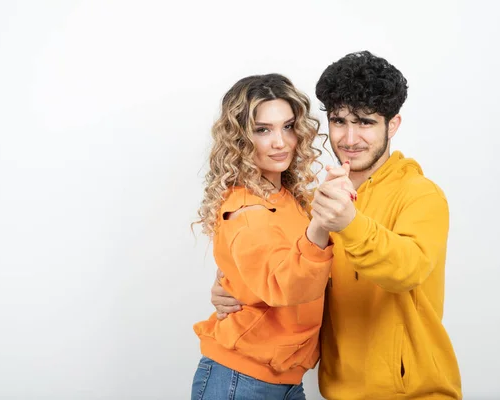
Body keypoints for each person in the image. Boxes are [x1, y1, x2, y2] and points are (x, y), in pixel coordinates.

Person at [211, 52, 463, 399]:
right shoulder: (319, 201)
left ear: (392, 125)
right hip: (337, 391)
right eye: (339, 121)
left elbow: (408, 268)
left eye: (365, 122)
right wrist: (232, 286)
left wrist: (349, 224)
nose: (348, 137)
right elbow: (292, 272)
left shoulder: (420, 194)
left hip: (413, 393)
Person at [190, 73, 356, 400]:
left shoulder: (288, 198)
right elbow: (286, 284)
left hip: (282, 380)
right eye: (262, 130)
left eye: (289, 126)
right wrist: (321, 225)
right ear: (239, 138)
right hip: (241, 379)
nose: (280, 142)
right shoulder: (246, 210)